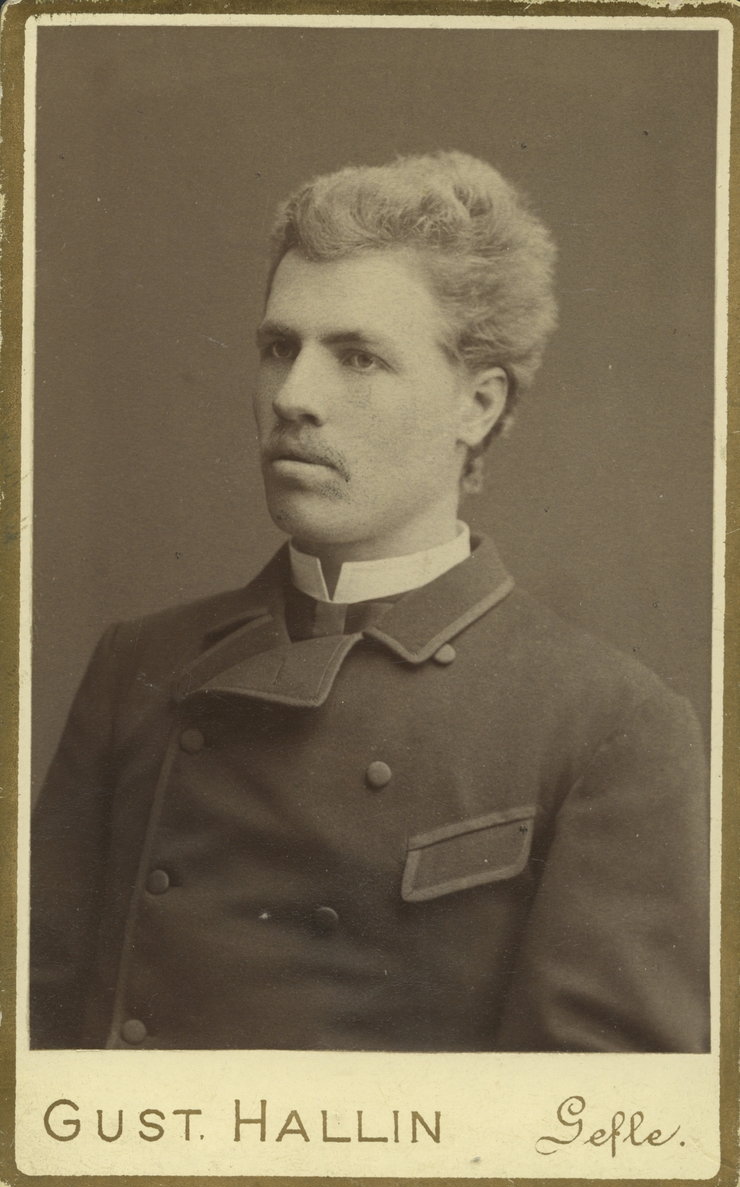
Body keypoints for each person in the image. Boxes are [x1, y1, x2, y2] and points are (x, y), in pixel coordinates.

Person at [30, 151, 709, 1053]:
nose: (294, 397)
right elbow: (29, 1041)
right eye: (280, 348)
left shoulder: (607, 727)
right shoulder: (139, 665)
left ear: (477, 404)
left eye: (358, 357)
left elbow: (590, 1119)